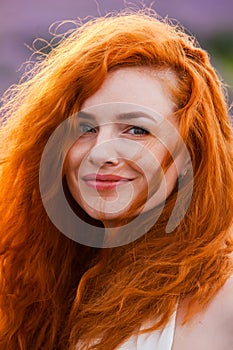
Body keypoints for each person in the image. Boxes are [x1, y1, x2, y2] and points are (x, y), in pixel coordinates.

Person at [0, 8, 233, 350]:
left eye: (137, 129)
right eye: (85, 128)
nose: (100, 152)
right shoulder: (35, 278)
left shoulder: (221, 295)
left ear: (192, 152)